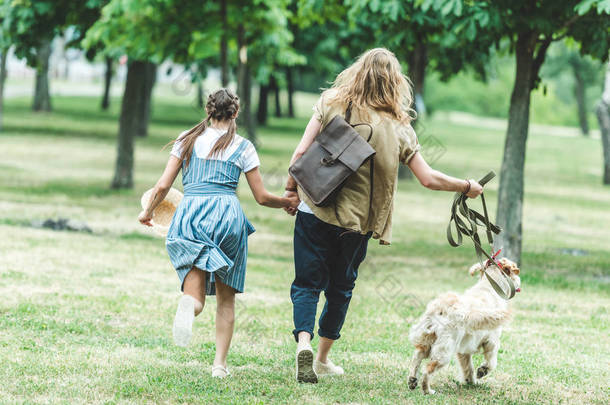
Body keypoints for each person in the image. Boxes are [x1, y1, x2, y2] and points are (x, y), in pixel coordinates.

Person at [283, 48, 484, 383]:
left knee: (306, 283)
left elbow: (301, 152)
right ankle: (321, 359)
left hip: (314, 210)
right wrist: (466, 186)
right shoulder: (399, 127)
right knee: (340, 289)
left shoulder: (332, 102)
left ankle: (303, 344)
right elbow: (428, 178)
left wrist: (292, 190)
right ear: (395, 82)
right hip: (356, 224)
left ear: (358, 72)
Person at [139, 89, 299, 378]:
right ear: (235, 113)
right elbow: (261, 197)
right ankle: (219, 366)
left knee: (195, 294)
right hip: (227, 216)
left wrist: (147, 212)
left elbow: (163, 185)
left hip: (192, 213)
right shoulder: (243, 146)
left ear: (208, 110)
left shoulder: (186, 139)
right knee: (226, 300)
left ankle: (191, 305)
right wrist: (287, 202)